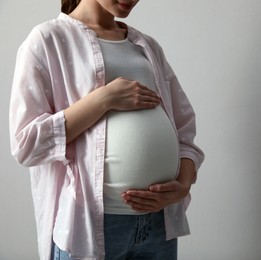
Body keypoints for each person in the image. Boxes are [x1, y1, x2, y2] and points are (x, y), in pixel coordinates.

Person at [9, 0, 204, 259]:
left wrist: (183, 184)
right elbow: (26, 144)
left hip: (158, 225)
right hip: (90, 227)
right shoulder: (48, 40)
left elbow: (184, 130)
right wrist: (102, 100)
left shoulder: (147, 47)